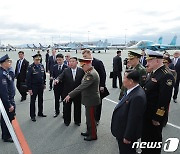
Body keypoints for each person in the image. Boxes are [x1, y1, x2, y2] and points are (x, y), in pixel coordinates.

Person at [141, 50, 175, 154]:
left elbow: (164, 100)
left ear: (156, 61)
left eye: (149, 61)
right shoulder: (154, 72)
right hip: (147, 113)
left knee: (154, 139)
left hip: (154, 116)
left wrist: (158, 117)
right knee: (146, 136)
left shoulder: (166, 75)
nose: (146, 64)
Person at [64, 58, 100, 141]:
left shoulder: (91, 74)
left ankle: (93, 135)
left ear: (87, 64)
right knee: (88, 118)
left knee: (91, 119)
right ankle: (89, 131)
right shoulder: (89, 72)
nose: (82, 68)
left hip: (91, 100)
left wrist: (70, 95)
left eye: (83, 66)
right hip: (89, 99)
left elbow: (81, 87)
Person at [111, 70, 146, 154]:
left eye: (124, 78)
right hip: (122, 130)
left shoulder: (137, 96)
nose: (123, 80)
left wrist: (128, 136)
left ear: (131, 81)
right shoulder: (132, 90)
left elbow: (134, 119)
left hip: (126, 134)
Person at [55, 57, 84, 125]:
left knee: (77, 107)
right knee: (67, 108)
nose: (71, 63)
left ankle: (77, 121)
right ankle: (67, 121)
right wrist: (57, 80)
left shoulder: (81, 71)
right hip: (67, 93)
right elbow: (60, 76)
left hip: (77, 93)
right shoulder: (66, 70)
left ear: (77, 63)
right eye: (70, 61)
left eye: (73, 61)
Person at [82, 49, 106, 125]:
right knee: (90, 105)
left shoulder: (98, 62)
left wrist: (102, 85)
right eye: (83, 56)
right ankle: (91, 120)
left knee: (98, 104)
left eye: (85, 56)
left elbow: (103, 74)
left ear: (90, 54)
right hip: (89, 87)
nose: (84, 58)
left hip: (98, 87)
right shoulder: (85, 63)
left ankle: (96, 119)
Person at [26, 54, 47, 122]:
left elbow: (43, 76)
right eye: (36, 60)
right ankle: (32, 115)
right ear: (34, 60)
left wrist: (44, 83)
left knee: (40, 100)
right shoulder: (30, 67)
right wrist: (29, 88)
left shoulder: (41, 66)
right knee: (33, 101)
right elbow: (28, 79)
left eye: (39, 59)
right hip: (33, 87)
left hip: (40, 86)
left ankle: (40, 113)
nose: (38, 61)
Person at [0, 54, 15, 142]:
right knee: (6, 118)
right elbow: (4, 92)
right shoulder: (2, 75)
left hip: (9, 99)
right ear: (4, 63)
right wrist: (9, 104)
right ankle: (6, 136)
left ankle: (7, 133)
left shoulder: (5, 72)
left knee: (8, 118)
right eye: (8, 61)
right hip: (7, 101)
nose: (9, 63)